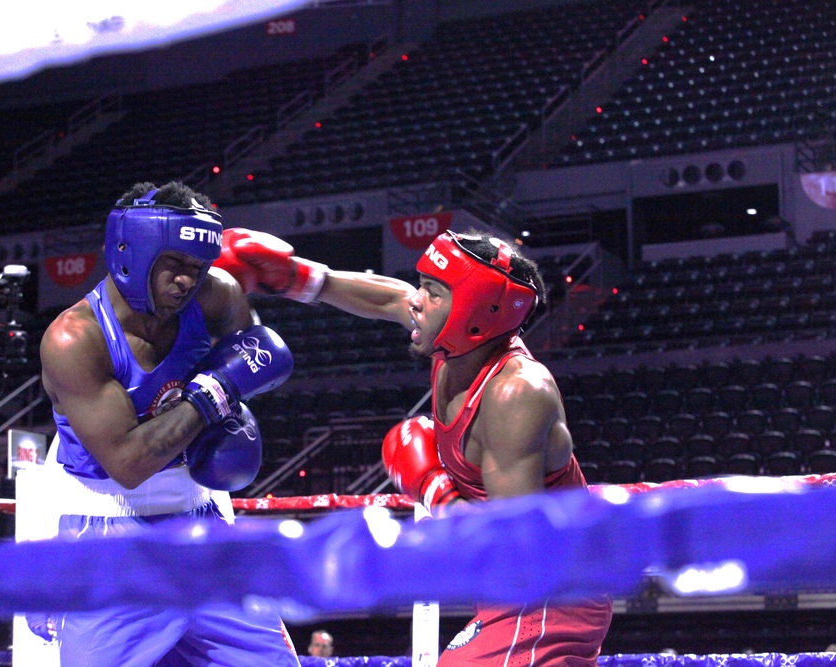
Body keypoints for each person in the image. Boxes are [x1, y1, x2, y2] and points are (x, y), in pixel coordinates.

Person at [214, 227, 613, 666]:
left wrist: (431, 486)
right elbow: (388, 298)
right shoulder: (457, 343)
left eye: (433, 293)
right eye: (423, 285)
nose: (417, 301)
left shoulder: (514, 394)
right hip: (517, 596)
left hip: (550, 592)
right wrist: (295, 277)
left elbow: (512, 551)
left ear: (474, 312)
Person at [37, 181, 301, 667]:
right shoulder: (75, 339)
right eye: (175, 265)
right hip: (110, 536)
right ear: (130, 252)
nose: (186, 282)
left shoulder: (215, 298)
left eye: (197, 269)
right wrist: (218, 392)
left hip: (200, 522)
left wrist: (231, 403)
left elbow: (251, 368)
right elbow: (129, 463)